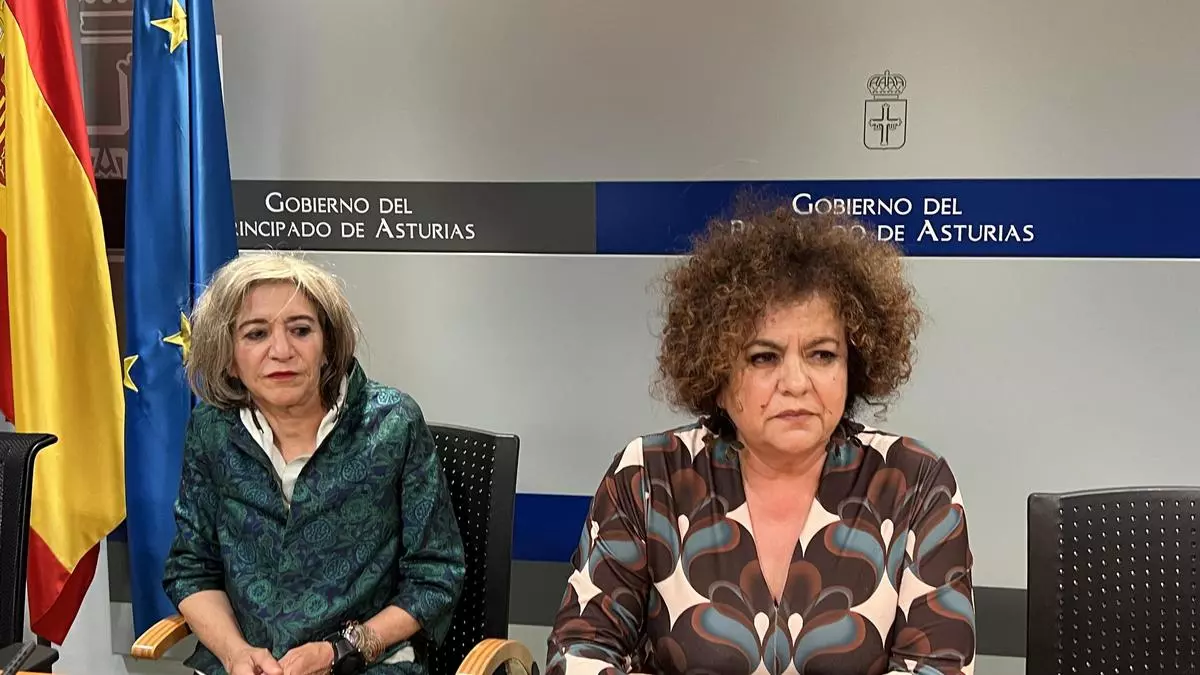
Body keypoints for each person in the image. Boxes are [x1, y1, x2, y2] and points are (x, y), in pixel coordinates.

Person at [546, 204, 976, 675]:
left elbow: (938, 666)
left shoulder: (915, 482)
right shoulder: (648, 476)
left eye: (822, 355)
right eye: (763, 358)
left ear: (852, 367)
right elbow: (581, 649)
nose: (795, 382)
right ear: (717, 373)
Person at [162, 252, 465, 675]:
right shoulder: (212, 430)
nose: (281, 351)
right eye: (256, 334)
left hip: (364, 664)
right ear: (229, 356)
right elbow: (192, 568)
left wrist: (340, 651)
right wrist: (235, 653)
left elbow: (435, 575)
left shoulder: (393, 424)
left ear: (327, 346)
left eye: (301, 330)